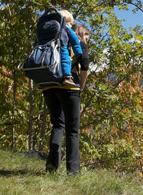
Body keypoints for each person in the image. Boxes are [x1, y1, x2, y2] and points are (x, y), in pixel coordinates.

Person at [43, 18, 91, 175]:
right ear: (81, 34)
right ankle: (73, 171)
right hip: (69, 87)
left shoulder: (55, 41)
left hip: (49, 86)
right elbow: (84, 69)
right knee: (72, 130)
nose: (86, 41)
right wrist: (81, 87)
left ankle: (52, 162)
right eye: (86, 38)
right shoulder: (79, 45)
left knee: (58, 124)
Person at [59, 10, 82, 86]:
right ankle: (67, 77)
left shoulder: (52, 29)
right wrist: (78, 52)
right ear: (65, 21)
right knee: (66, 60)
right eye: (70, 23)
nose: (71, 26)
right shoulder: (67, 29)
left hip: (52, 52)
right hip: (63, 48)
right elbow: (75, 41)